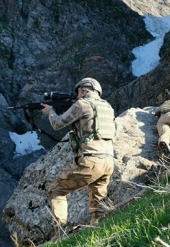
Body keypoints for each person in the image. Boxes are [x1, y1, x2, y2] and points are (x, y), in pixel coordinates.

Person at [41, 77, 116, 237]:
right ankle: (99, 233)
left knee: (57, 190)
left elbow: (57, 124)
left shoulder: (82, 104)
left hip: (91, 160)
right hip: (108, 160)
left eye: (78, 93)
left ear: (83, 90)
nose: (77, 96)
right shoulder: (107, 107)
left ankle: (60, 234)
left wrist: (50, 112)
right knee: (98, 202)